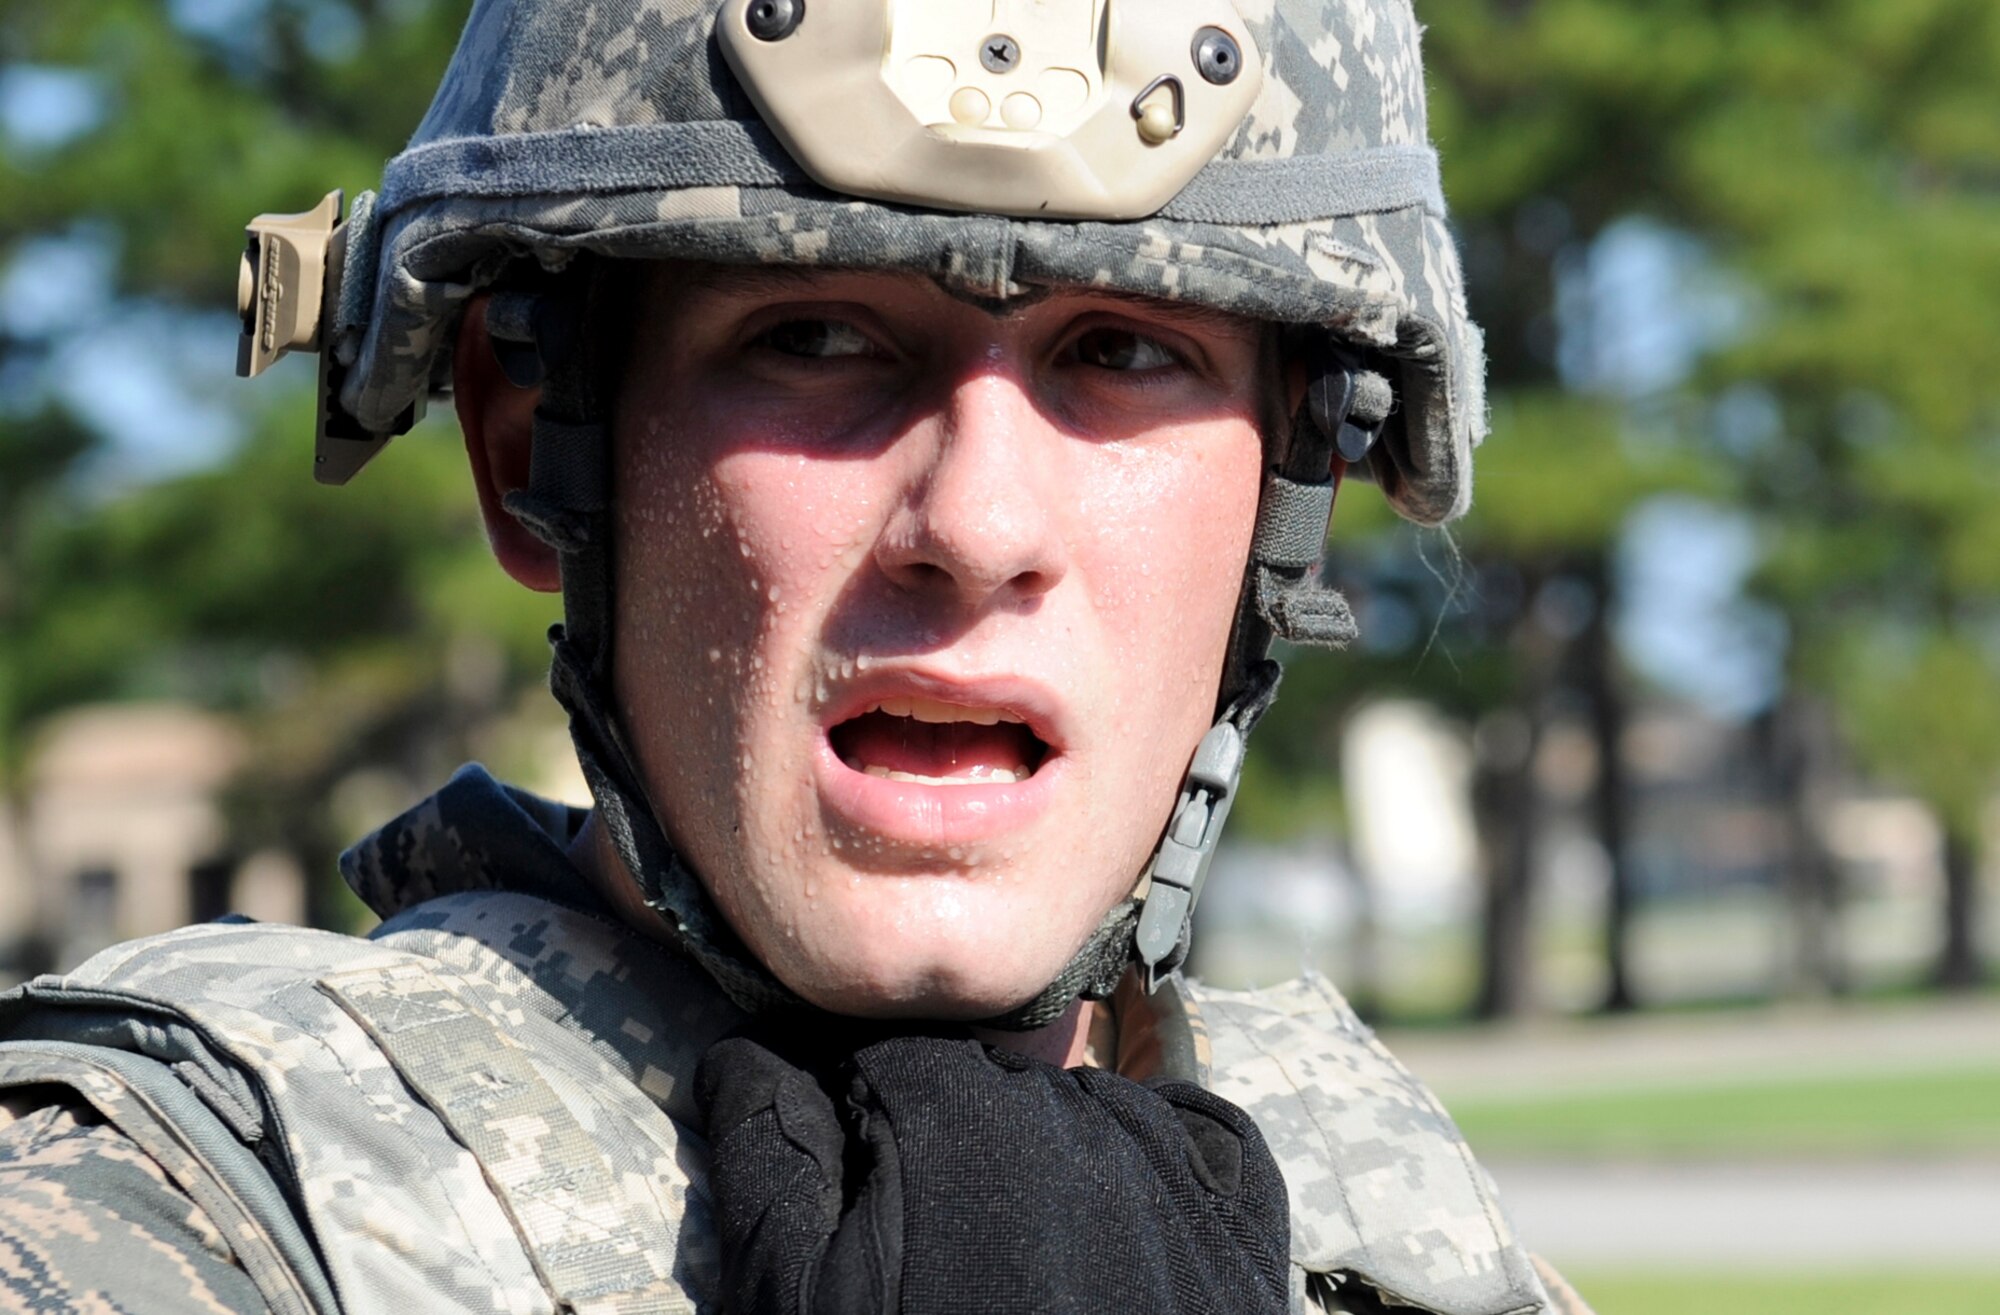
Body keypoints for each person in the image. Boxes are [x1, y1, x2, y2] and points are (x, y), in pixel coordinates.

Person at [0, 1, 1594, 1312]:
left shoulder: (1391, 1219)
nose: (974, 526)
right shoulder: (178, 1223)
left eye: (1123, 351)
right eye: (817, 339)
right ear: (523, 452)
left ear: (1286, 494)